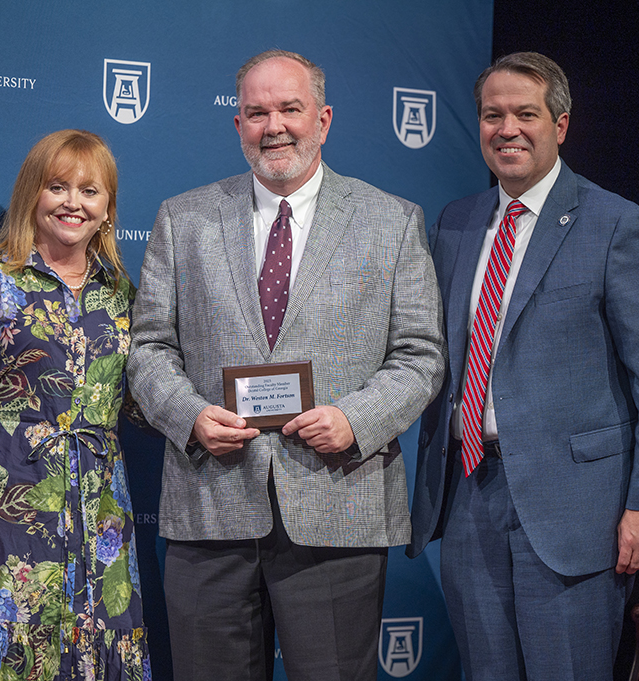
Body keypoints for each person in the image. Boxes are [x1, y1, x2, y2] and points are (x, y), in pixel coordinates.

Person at [127, 49, 446, 681]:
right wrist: (190, 417)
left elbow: (421, 355)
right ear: (237, 125)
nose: (274, 126)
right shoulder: (183, 219)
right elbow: (148, 348)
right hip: (211, 508)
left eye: (290, 109)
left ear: (323, 120)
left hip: (338, 505)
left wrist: (356, 418)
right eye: (256, 112)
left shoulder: (391, 220)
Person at [408, 52, 639, 681]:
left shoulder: (616, 224)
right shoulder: (455, 222)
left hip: (576, 509)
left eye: (525, 114)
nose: (507, 128)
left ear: (560, 125)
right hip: (468, 493)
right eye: (492, 115)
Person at [0, 129, 152, 680]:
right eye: (57, 186)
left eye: (90, 191)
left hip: (101, 516)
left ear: (107, 208)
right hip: (5, 509)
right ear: (31, 195)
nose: (73, 203)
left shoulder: (122, 296)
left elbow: (143, 398)